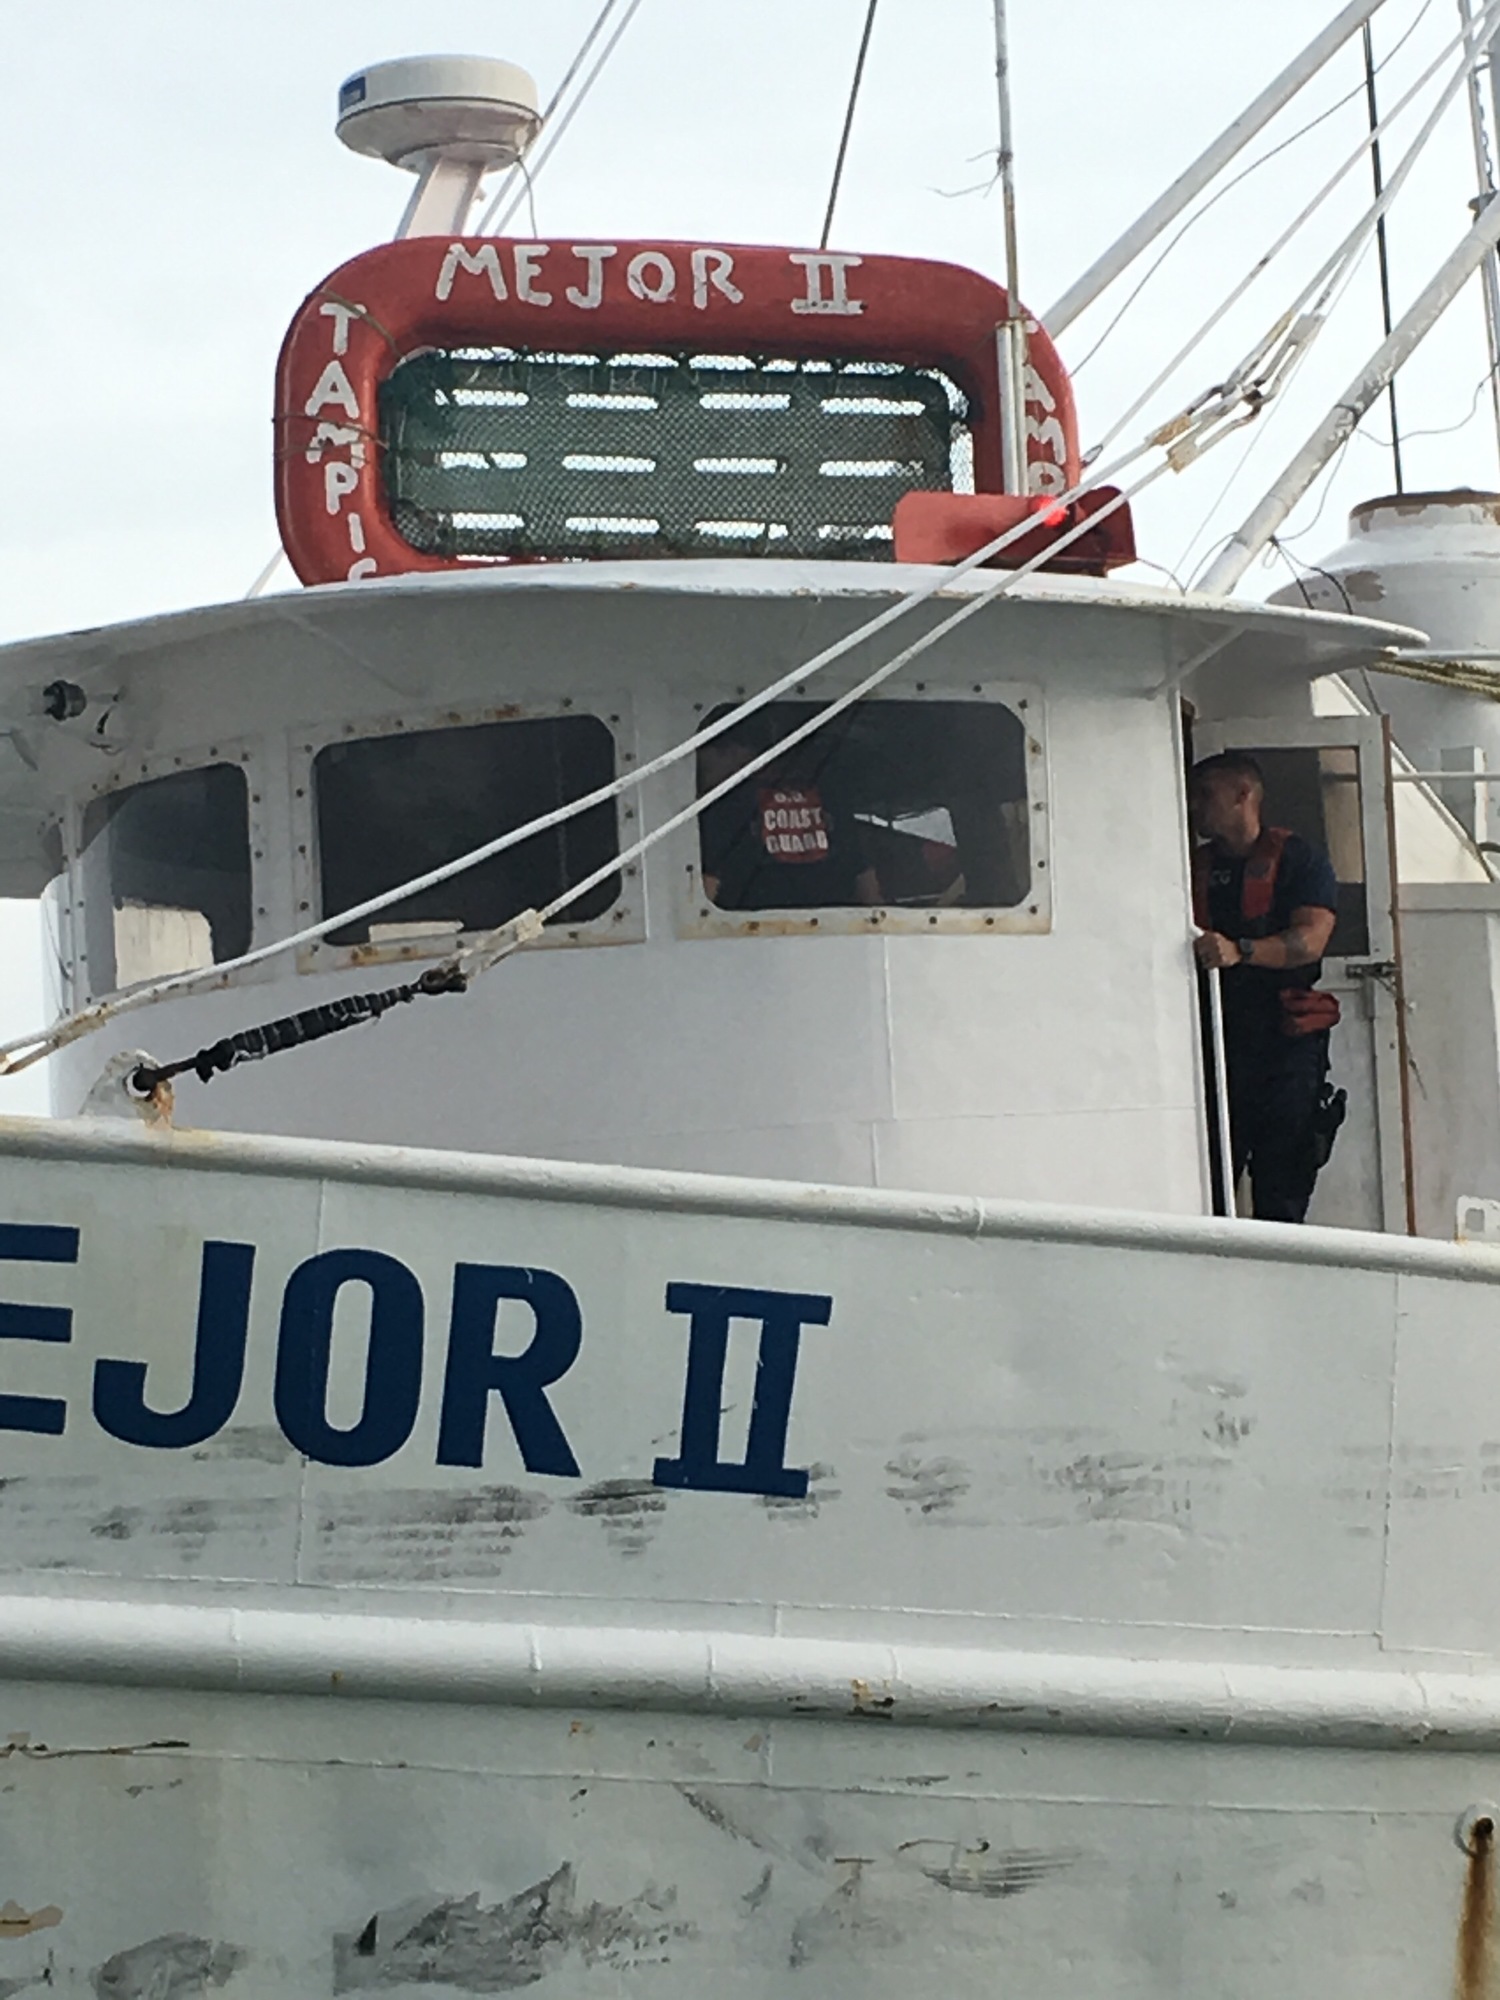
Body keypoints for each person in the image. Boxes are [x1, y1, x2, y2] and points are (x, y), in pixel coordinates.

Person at [1188, 750, 1342, 1223]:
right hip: (1214, 1045)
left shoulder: (1301, 861)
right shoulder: (1189, 867)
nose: (1194, 806)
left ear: (1242, 795)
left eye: (1204, 794)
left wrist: (1242, 951)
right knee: (1211, 1186)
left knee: (1283, 1183)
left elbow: (1310, 941)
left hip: (1284, 1048)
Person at [698, 727, 882, 911]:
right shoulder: (829, 796)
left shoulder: (725, 805)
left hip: (753, 927)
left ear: (731, 751)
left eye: (704, 763)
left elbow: (709, 883)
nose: (700, 773)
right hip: (834, 926)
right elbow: (863, 875)